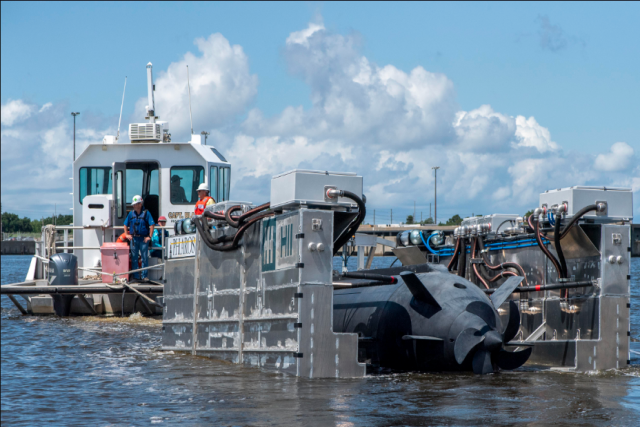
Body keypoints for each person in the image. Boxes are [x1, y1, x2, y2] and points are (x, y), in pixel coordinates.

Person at [123, 195, 155, 282]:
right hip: (134, 239)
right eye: (133, 204)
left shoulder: (146, 213)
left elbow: (152, 225)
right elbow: (125, 224)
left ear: (140, 204)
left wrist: (149, 236)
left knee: (144, 258)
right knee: (134, 258)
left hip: (143, 239)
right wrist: (126, 234)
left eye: (135, 204)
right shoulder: (131, 214)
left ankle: (144, 276)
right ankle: (136, 276)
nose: (133, 206)